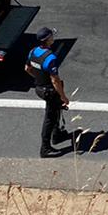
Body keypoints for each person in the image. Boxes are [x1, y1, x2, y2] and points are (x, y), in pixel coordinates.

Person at [27, 27, 71, 157]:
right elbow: (55, 80)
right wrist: (63, 97)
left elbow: (27, 68)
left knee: (56, 109)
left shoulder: (33, 52)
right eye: (52, 36)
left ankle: (57, 135)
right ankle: (45, 148)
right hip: (49, 91)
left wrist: (39, 78)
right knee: (50, 118)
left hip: (39, 88)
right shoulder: (50, 58)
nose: (53, 37)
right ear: (47, 40)